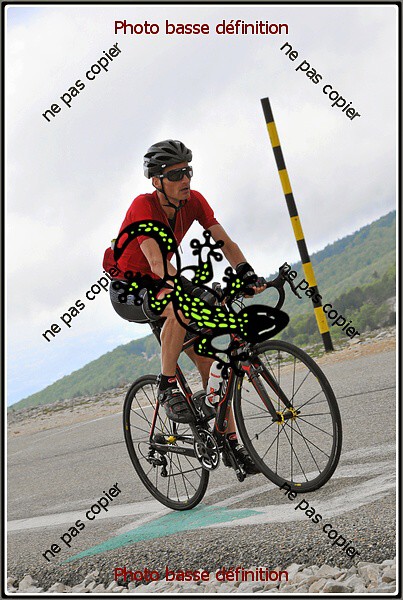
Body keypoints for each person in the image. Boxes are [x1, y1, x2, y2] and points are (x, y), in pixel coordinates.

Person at [108, 139, 266, 474]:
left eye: (188, 171)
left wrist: (245, 272)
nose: (185, 180)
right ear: (157, 181)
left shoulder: (193, 201)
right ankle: (167, 385)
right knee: (178, 306)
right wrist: (192, 291)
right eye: (175, 174)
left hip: (163, 283)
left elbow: (225, 241)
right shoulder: (142, 207)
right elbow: (156, 264)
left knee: (211, 361)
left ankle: (231, 445)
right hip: (129, 288)